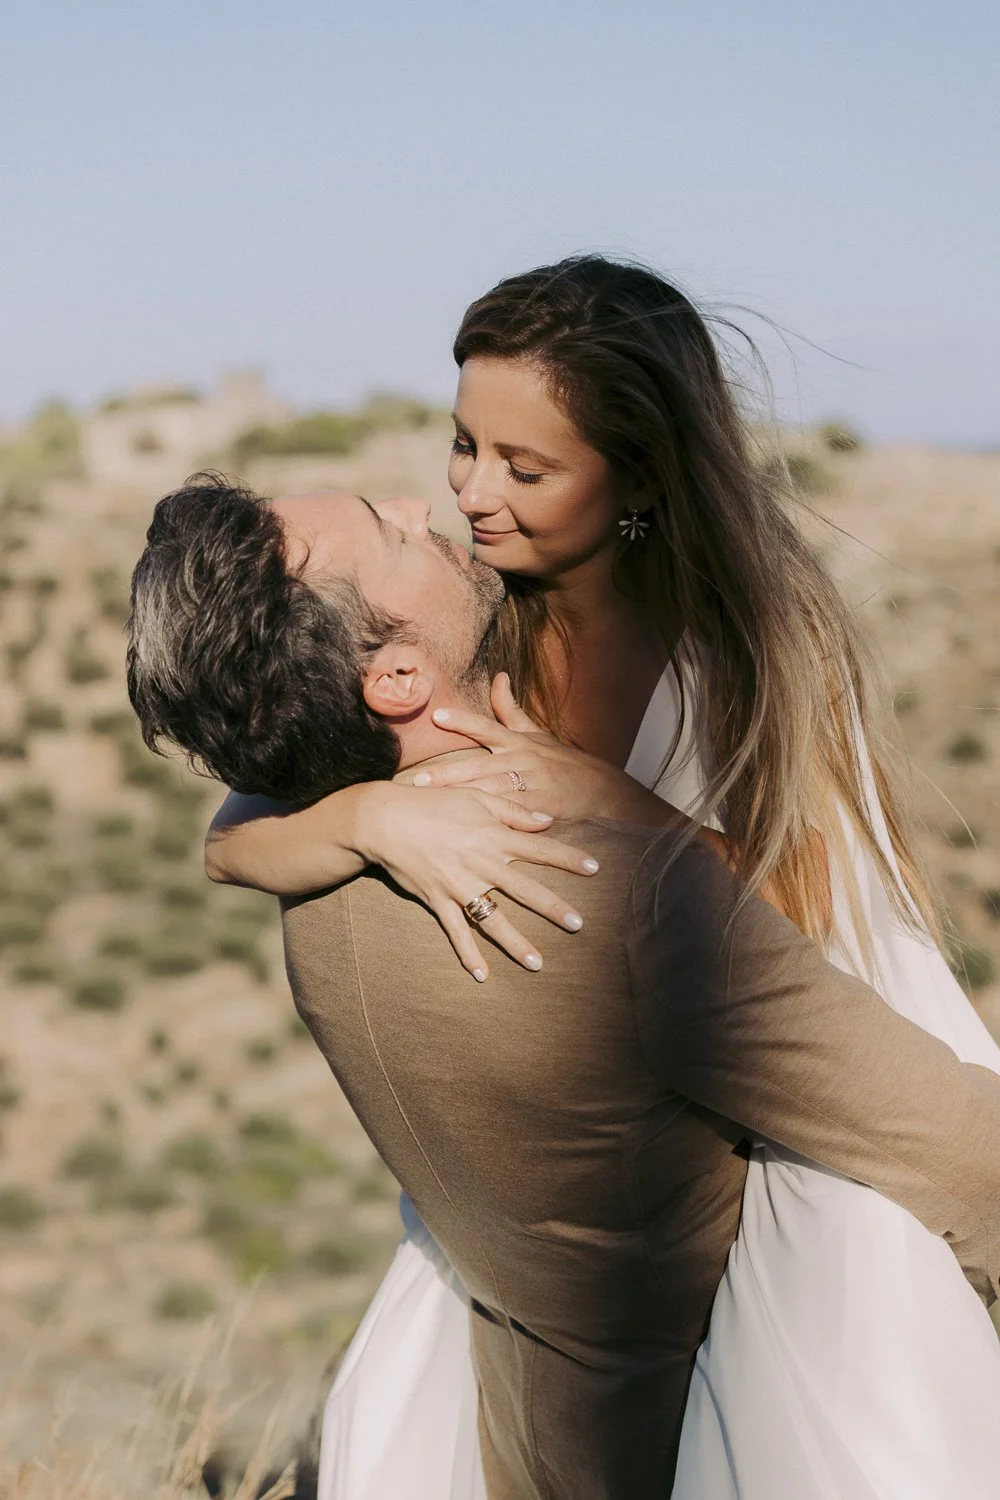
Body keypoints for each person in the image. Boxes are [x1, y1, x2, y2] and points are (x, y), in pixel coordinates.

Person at [193, 256, 1000, 1498]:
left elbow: (791, 917)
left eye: (525, 468)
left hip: (787, 1070)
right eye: (463, 444)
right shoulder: (477, 613)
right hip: (596, 1150)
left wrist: (613, 808)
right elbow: (232, 835)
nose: (468, 494)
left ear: (637, 477)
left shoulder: (740, 662)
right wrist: (370, 821)